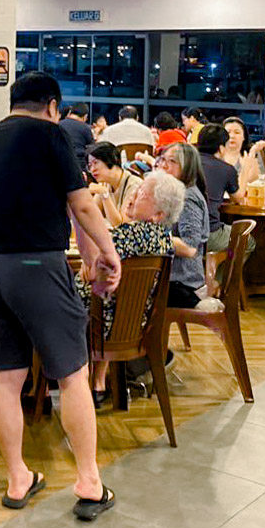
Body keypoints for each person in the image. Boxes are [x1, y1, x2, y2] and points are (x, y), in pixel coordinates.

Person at [0, 71, 120, 519]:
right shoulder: (51, 136)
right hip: (37, 264)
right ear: (52, 106)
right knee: (73, 373)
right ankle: (89, 481)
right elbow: (82, 203)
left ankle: (18, 477)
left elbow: (57, 206)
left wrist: (89, 254)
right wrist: (109, 252)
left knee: (7, 375)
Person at [75, 169, 181, 402]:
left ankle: (46, 382)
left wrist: (86, 267)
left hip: (99, 323)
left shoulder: (124, 236)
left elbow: (92, 272)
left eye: (142, 194)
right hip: (135, 325)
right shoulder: (165, 240)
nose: (133, 195)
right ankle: (98, 383)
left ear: (158, 214)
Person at [154, 142, 210, 308]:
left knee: (128, 291)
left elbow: (190, 244)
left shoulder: (188, 198)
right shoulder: (175, 193)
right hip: (170, 278)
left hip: (183, 283)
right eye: (163, 159)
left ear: (187, 167)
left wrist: (151, 237)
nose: (164, 165)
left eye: (172, 161)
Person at [196, 124, 240, 252]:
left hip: (178, 231)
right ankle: (218, 266)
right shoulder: (226, 169)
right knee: (246, 240)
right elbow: (238, 199)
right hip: (208, 233)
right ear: (221, 148)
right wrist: (247, 168)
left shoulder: (185, 162)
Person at [85, 142, 143, 219]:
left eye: (95, 163)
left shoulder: (134, 185)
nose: (92, 169)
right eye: (90, 165)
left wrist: (104, 194)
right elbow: (90, 216)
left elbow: (123, 224)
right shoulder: (105, 183)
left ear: (111, 160)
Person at [220, 116, 262, 192]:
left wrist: (252, 155)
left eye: (237, 133)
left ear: (244, 137)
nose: (232, 136)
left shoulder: (251, 153)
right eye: (228, 132)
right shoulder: (215, 154)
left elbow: (255, 180)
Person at [59, 103, 94, 173]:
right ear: (85, 116)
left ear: (70, 113)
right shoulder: (85, 128)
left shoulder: (58, 124)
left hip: (59, 162)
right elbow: (91, 148)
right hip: (78, 164)